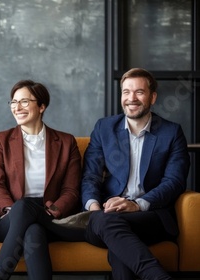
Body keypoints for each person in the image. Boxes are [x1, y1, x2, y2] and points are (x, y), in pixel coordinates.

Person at [81, 68, 190, 280]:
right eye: (126, 92)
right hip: (105, 214)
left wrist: (138, 204)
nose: (131, 98)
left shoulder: (171, 132)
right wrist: (94, 208)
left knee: (118, 244)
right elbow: (90, 175)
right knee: (107, 222)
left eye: (139, 92)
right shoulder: (104, 128)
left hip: (149, 216)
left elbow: (175, 181)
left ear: (153, 97)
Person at [0, 80, 84, 280]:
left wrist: (53, 211)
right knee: (31, 228)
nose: (17, 107)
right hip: (9, 216)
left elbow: (71, 190)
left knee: (33, 223)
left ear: (42, 106)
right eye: (14, 102)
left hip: (51, 216)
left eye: (24, 102)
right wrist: (12, 211)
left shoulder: (66, 142)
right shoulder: (1, 140)